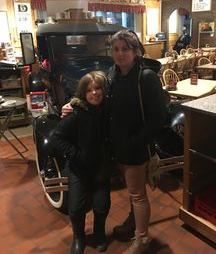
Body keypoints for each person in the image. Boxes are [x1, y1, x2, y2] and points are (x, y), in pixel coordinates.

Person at [62, 29, 167, 254]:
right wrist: (72, 104)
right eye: (116, 49)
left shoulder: (145, 77)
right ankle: (133, 223)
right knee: (132, 192)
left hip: (135, 148)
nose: (120, 54)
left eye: (125, 49)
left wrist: (136, 141)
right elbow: (93, 95)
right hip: (116, 147)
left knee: (138, 194)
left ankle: (142, 239)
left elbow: (158, 117)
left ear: (135, 50)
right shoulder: (112, 73)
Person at [51, 71, 111, 254]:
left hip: (101, 167)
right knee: (76, 208)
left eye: (98, 88)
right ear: (83, 93)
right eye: (89, 90)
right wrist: (76, 155)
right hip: (79, 169)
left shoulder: (108, 110)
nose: (94, 93)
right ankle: (79, 237)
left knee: (102, 206)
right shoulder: (76, 113)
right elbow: (56, 138)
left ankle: (99, 233)